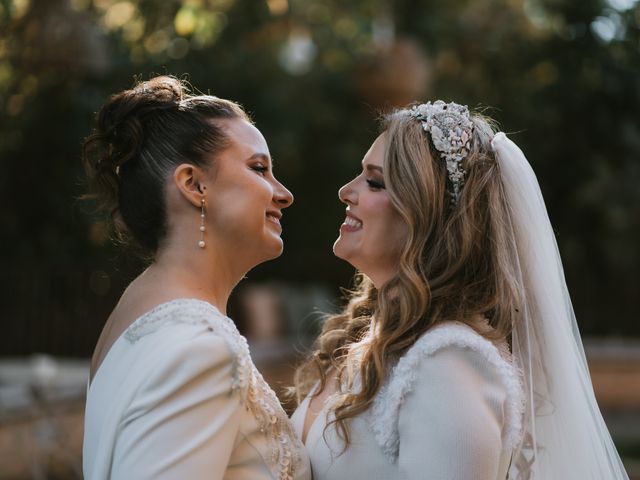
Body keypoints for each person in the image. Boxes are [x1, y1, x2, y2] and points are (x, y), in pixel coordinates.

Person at [291, 101, 629, 479]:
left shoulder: (449, 364)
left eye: (374, 181)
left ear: (426, 213)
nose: (344, 191)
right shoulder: (376, 343)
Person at [82, 76, 311, 480]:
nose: (283, 193)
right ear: (193, 184)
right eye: (259, 168)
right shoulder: (201, 352)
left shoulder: (130, 322)